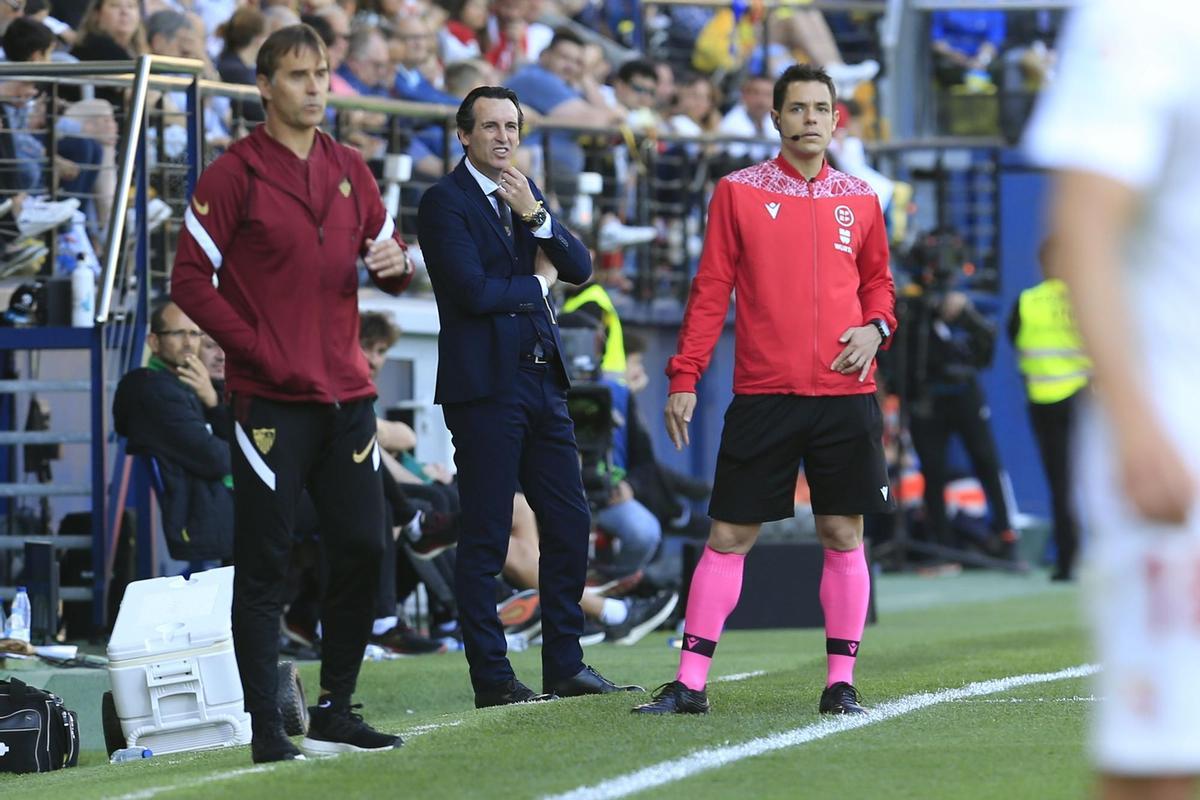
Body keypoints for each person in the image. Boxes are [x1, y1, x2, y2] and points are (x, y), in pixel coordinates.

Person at [170, 24, 414, 763]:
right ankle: (266, 726)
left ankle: (337, 704)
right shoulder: (231, 173)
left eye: (323, 74)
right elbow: (187, 281)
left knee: (365, 547)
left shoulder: (352, 169)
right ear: (265, 86)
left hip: (347, 395)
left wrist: (393, 262)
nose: (316, 88)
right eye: (300, 75)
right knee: (267, 559)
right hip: (270, 401)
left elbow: (393, 266)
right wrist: (252, 348)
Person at [633, 63, 896, 717]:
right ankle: (690, 684)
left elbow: (880, 286)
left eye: (821, 108)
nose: (810, 118)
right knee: (728, 536)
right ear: (775, 119)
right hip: (764, 392)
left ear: (837, 119)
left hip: (844, 393)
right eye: (797, 108)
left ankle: (841, 684)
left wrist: (876, 329)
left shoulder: (861, 197)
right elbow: (710, 288)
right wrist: (684, 376)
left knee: (842, 532)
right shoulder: (738, 191)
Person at [1025, 2, 1200, 798]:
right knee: (1163, 762)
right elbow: (1077, 231)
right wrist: (1137, 425)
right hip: (1175, 438)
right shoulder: (1140, 19)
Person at [416, 85, 640, 708]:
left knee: (570, 523)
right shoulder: (443, 202)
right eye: (489, 126)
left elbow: (581, 265)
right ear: (464, 135)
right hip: (485, 387)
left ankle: (564, 664)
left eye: (512, 126)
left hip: (544, 382)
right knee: (487, 533)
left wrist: (537, 219)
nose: (503, 137)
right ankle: (492, 679)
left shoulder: (524, 191)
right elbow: (469, 290)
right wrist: (537, 284)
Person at [112, 301, 233, 567]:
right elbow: (218, 459)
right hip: (207, 519)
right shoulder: (154, 394)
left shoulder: (190, 385)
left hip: (222, 508)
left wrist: (212, 401)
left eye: (194, 334)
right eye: (178, 334)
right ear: (154, 343)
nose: (189, 343)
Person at [1007, 240, 1089, 581]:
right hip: (1084, 399)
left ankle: (1067, 562)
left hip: (1043, 401)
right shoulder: (1085, 298)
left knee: (1061, 484)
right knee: (1096, 481)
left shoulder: (1027, 302)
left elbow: (1014, 340)